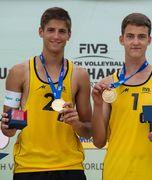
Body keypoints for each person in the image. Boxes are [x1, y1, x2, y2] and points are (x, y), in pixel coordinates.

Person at [1, 7, 92, 180]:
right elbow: (9, 130)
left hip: (70, 166)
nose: (56, 36)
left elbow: (89, 131)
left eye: (62, 31)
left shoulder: (80, 75)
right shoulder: (19, 72)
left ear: (69, 35)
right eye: (51, 30)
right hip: (29, 167)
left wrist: (76, 124)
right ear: (41, 32)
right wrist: (6, 126)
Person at [92, 13, 152, 180]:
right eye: (130, 36)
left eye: (141, 36)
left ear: (149, 40)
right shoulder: (108, 84)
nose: (136, 42)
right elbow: (98, 142)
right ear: (121, 39)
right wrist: (97, 104)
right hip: (115, 173)